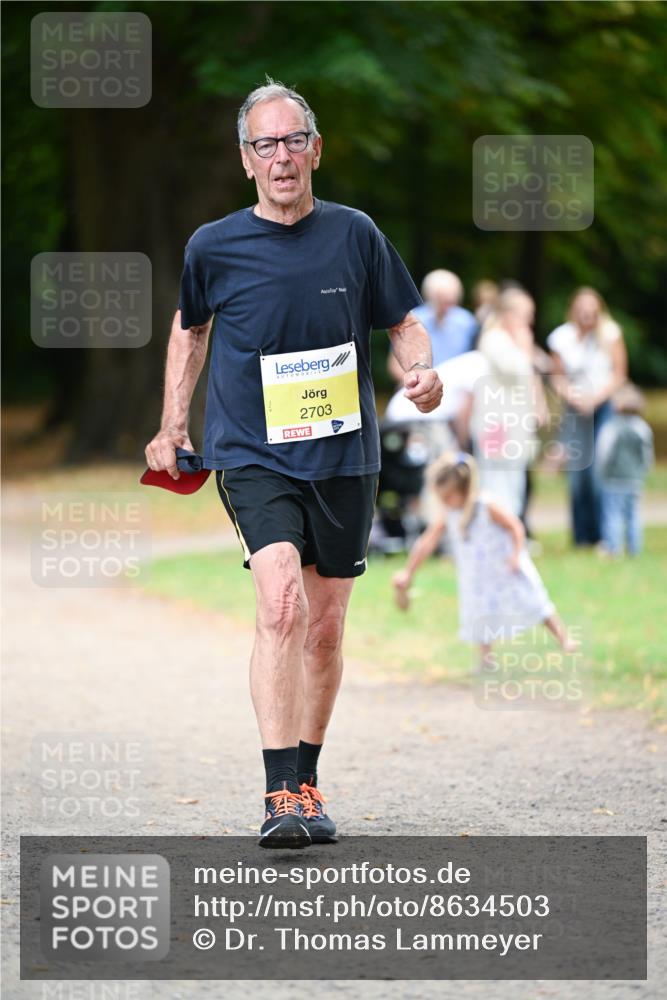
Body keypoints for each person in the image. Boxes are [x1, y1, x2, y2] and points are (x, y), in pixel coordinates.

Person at [144, 80, 443, 849]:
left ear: (316, 149)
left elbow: (402, 322)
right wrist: (173, 424)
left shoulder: (355, 235)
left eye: (291, 141)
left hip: (345, 454)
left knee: (325, 628)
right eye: (263, 145)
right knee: (280, 603)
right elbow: (190, 331)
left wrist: (420, 369)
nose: (280, 157)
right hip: (251, 453)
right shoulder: (213, 246)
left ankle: (307, 781)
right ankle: (280, 794)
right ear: (246, 161)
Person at [391, 453, 578, 669]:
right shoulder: (450, 513)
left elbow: (515, 527)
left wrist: (516, 555)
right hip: (478, 575)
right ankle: (486, 658)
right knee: (480, 611)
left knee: (533, 600)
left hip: (505, 566)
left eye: (448, 497)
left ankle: (563, 638)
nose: (445, 503)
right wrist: (409, 571)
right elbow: (427, 542)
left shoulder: (486, 505)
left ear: (463, 490)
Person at [547, 287, 627, 546]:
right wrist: (574, 397)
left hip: (603, 406)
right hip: (574, 407)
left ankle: (603, 533)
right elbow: (557, 378)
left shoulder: (610, 334)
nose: (587, 316)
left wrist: (596, 398)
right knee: (578, 472)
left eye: (592, 312)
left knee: (600, 469)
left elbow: (618, 374)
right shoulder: (562, 338)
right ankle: (581, 536)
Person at [471, 288, 547, 518]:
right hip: (497, 425)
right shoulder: (494, 339)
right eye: (526, 315)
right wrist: (525, 346)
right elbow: (517, 370)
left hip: (513, 425)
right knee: (497, 485)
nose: (530, 322)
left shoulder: (511, 341)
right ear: (509, 314)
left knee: (513, 484)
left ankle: (511, 536)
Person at [387, 269, 477, 383]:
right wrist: (419, 383)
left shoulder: (467, 321)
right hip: (418, 388)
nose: (447, 305)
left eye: (451, 299)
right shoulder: (413, 320)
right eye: (442, 299)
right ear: (429, 296)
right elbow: (394, 366)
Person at [596, 383, 654, 557]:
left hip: (614, 478)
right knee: (633, 514)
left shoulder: (612, 427)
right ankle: (634, 547)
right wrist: (643, 471)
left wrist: (602, 472)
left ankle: (613, 548)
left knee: (612, 514)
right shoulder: (643, 428)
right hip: (635, 479)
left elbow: (603, 453)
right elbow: (646, 455)